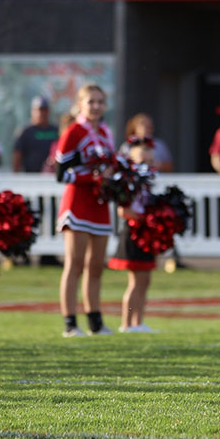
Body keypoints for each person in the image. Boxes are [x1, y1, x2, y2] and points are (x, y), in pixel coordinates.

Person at [56, 84, 116, 337]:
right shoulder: (73, 131)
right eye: (91, 101)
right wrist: (93, 180)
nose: (96, 106)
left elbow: (111, 164)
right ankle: (70, 322)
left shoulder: (105, 132)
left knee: (96, 266)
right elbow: (62, 174)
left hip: (99, 205)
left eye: (100, 102)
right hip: (78, 203)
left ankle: (95, 321)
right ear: (80, 104)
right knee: (75, 264)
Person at [108, 140, 158, 333]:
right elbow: (123, 211)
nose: (146, 163)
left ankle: (139, 321)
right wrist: (143, 218)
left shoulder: (147, 181)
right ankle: (126, 323)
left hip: (146, 232)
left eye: (149, 159)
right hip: (134, 232)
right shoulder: (127, 181)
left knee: (145, 280)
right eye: (141, 160)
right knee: (135, 281)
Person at [12, 96, 58, 173]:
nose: (42, 113)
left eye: (45, 110)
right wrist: (16, 176)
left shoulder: (56, 130)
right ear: (32, 111)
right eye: (39, 110)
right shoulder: (25, 132)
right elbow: (17, 155)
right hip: (31, 178)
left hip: (52, 178)